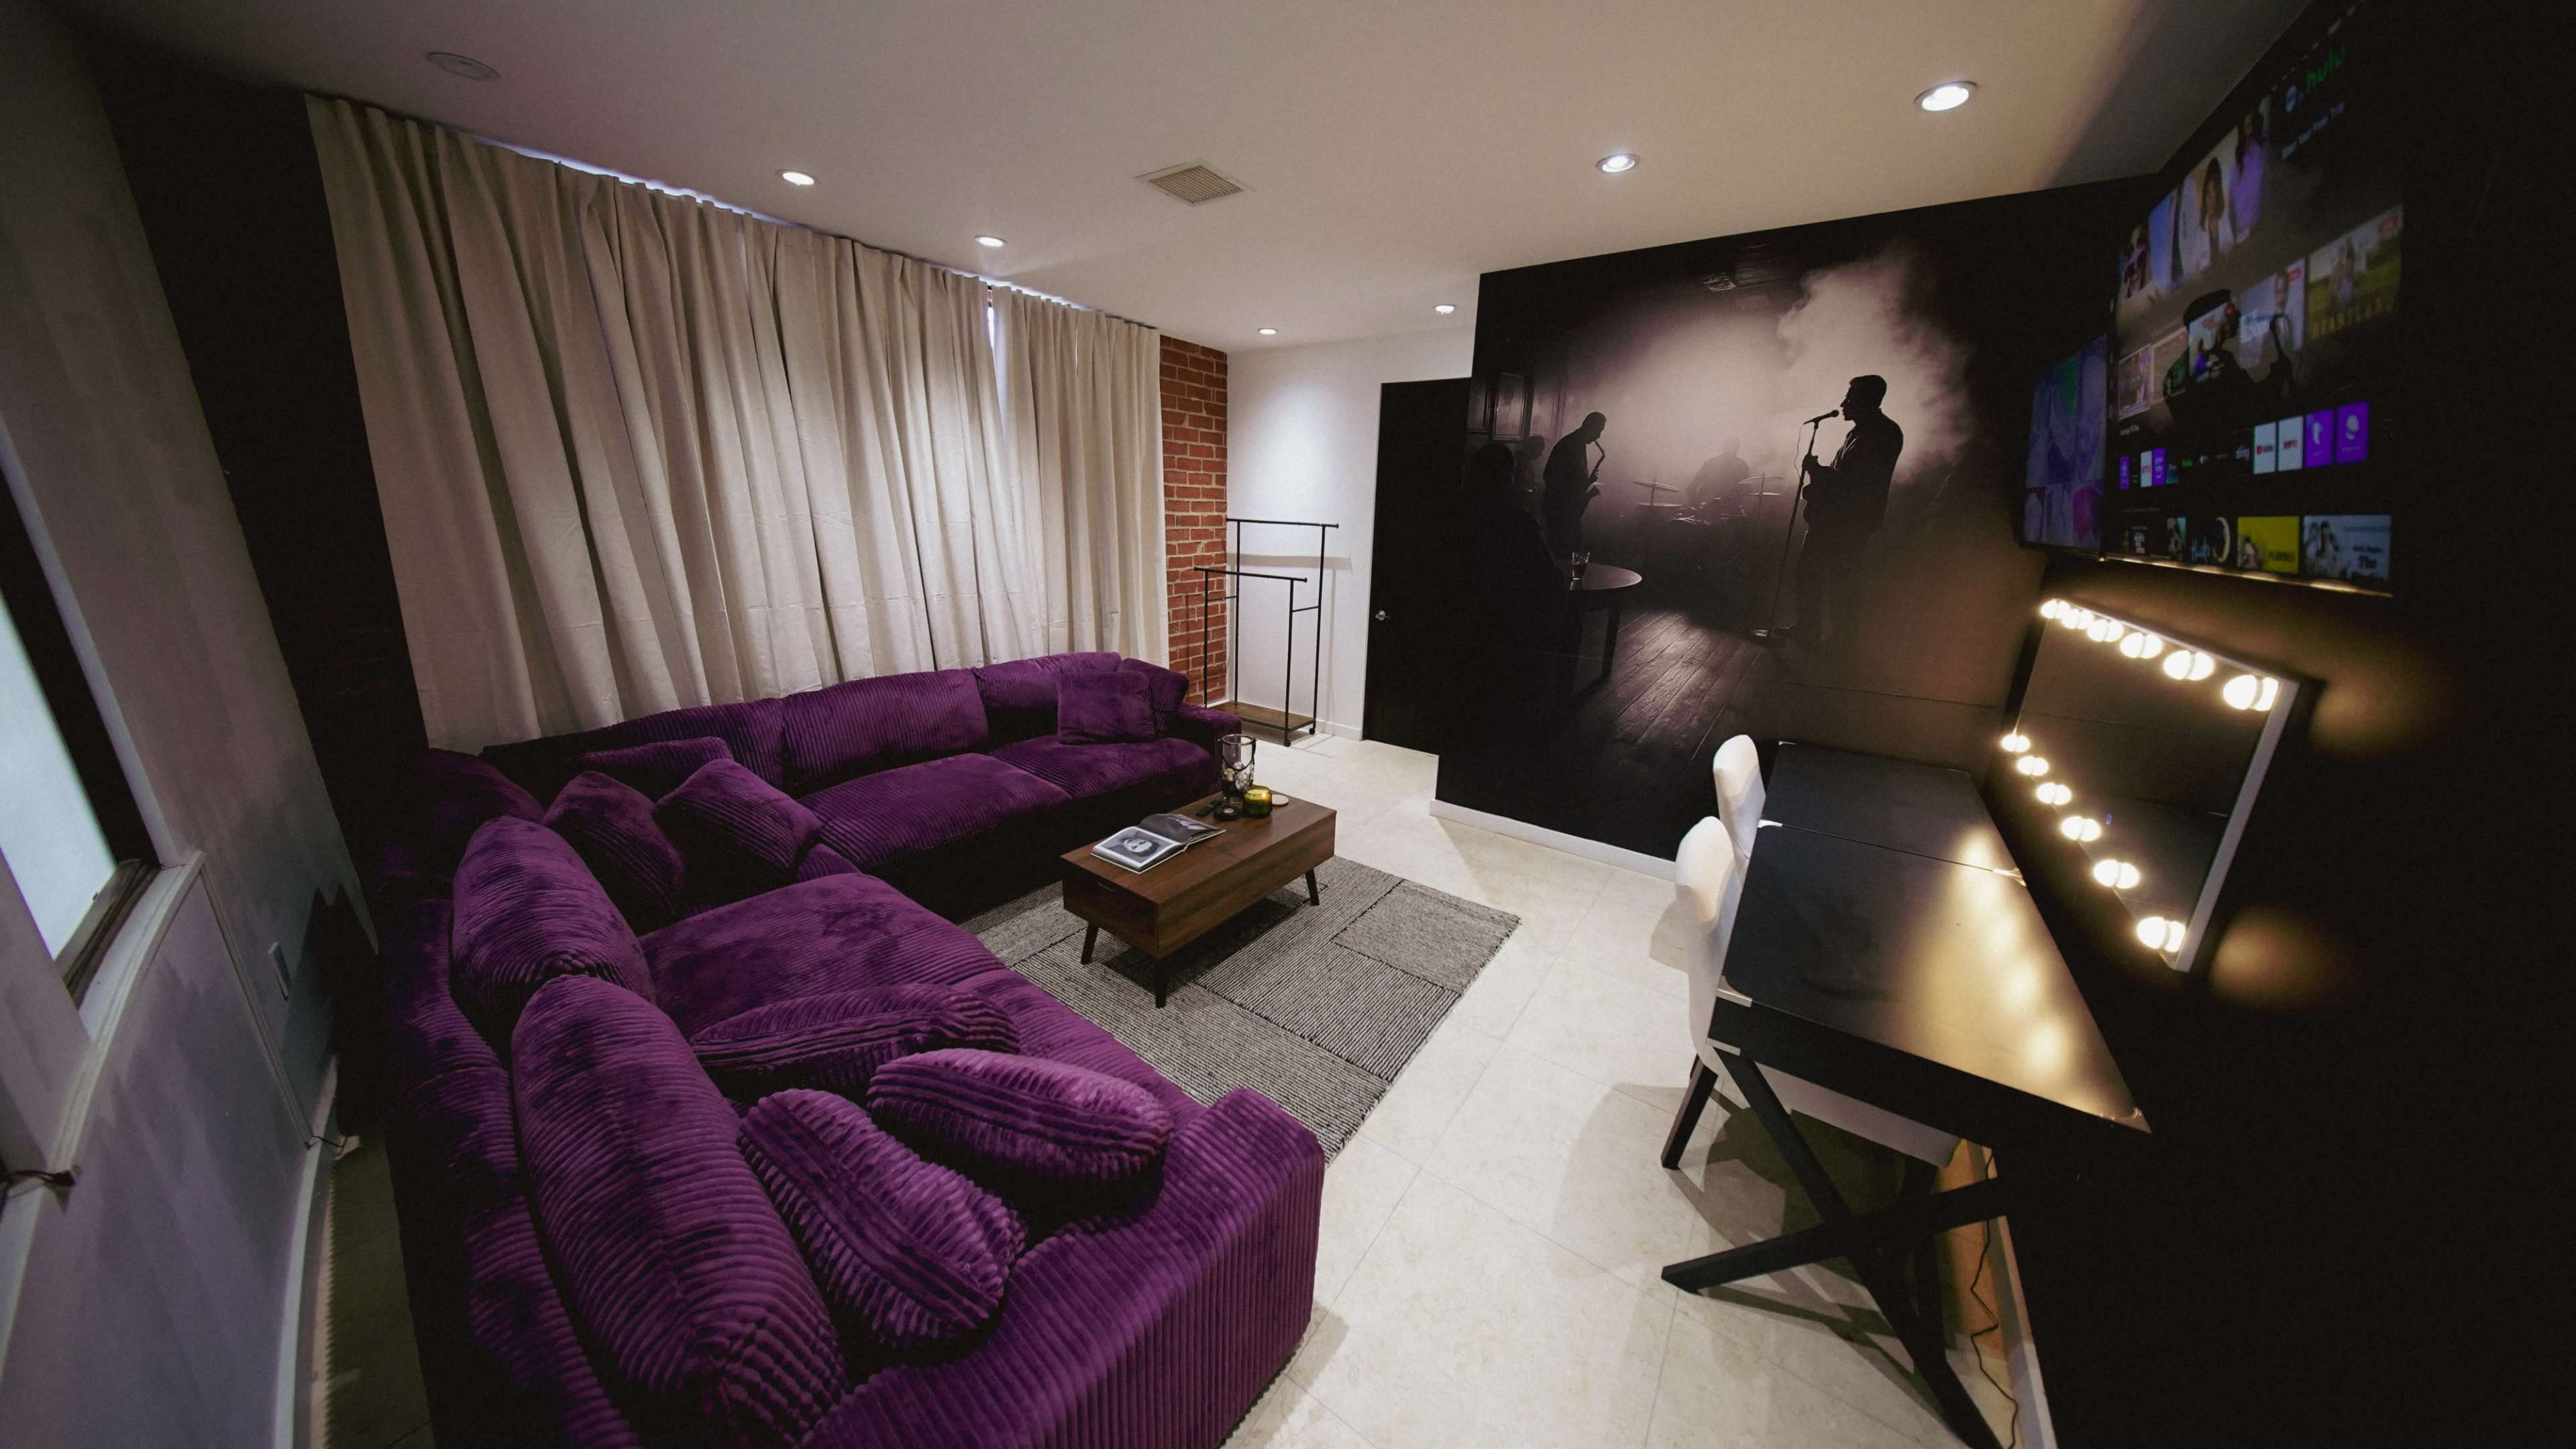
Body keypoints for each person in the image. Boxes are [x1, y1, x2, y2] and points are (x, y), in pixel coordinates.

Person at [1792, 376, 1902, 649]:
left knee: (1840, 579)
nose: (1843, 403)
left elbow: (1856, 481)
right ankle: (1810, 629)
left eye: (1850, 397)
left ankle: (1839, 641)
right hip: (1835, 517)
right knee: (1815, 573)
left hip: (1849, 520)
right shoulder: (1859, 431)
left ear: (1867, 400)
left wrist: (1816, 471)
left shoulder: (1882, 432)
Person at [1541, 413, 1607, 559]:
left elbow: (1571, 479)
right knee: (1564, 554)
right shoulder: (1571, 445)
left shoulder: (1576, 443)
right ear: (1591, 426)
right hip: (1561, 512)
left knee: (1569, 552)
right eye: (1599, 430)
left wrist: (1588, 482)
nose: (1599, 436)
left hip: (1565, 510)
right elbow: (1549, 476)